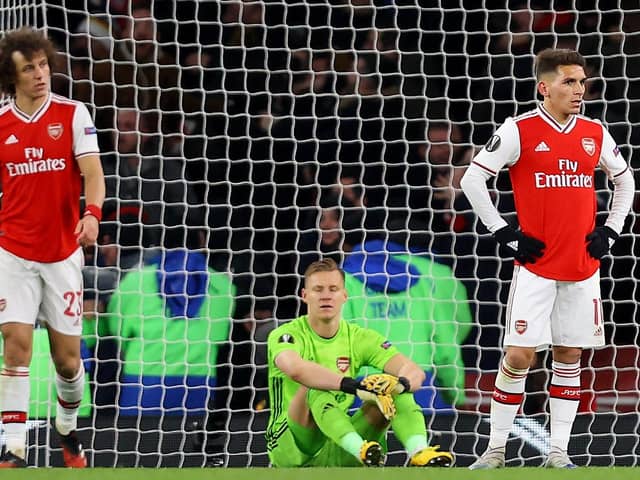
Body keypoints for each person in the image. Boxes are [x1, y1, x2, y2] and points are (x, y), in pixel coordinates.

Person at [460, 48, 634, 469]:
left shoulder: (594, 131)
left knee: (570, 356)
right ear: (545, 86)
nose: (579, 90)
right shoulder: (519, 129)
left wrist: (610, 231)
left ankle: (558, 452)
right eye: (569, 82)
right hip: (535, 267)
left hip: (581, 268)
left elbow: (625, 182)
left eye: (581, 82)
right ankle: (495, 449)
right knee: (519, 356)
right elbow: (472, 179)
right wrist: (502, 231)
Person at [0, 28, 105, 468]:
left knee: (66, 362)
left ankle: (67, 428)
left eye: (43, 65)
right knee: (16, 343)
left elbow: (93, 174)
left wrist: (93, 214)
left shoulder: (73, 113)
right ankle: (13, 446)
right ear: (12, 77)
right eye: (29, 69)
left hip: (62, 253)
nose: (40, 74)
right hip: (12, 251)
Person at [265, 258, 454, 467]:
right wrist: (355, 386)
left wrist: (400, 384)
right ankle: (359, 448)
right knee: (313, 388)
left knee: (392, 387)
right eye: (318, 289)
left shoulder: (359, 337)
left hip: (342, 441)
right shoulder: (285, 334)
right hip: (293, 447)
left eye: (333, 289)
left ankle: (418, 452)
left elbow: (413, 371)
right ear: (305, 295)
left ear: (344, 295)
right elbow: (295, 369)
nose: (326, 296)